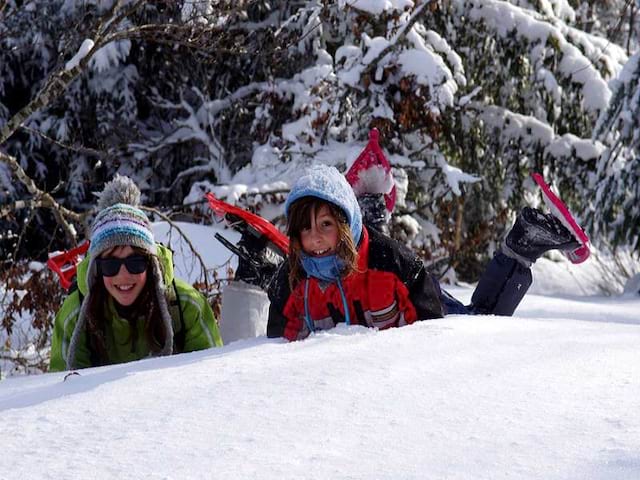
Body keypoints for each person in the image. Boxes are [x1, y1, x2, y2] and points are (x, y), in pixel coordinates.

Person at [265, 165, 581, 341]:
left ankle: (523, 243)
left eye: (325, 224)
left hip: (419, 298)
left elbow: (431, 330)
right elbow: (276, 344)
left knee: (480, 321)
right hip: (371, 289)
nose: (316, 237)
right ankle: (371, 199)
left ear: (347, 222)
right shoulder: (292, 277)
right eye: (305, 229)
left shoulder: (392, 260)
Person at [49, 175, 223, 371]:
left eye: (135, 262)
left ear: (151, 264)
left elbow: (210, 379)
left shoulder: (187, 306)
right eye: (110, 265)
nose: (123, 275)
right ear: (96, 269)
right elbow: (63, 389)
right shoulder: (75, 313)